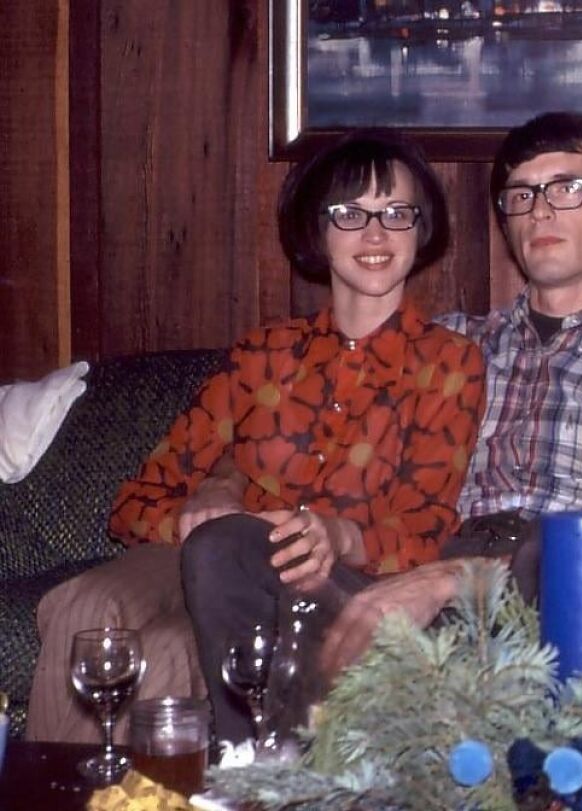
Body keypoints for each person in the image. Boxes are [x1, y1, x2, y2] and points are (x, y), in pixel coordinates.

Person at [26, 129, 485, 744]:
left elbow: (424, 531)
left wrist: (339, 535)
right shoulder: (261, 356)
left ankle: (251, 770)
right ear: (317, 233)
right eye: (350, 214)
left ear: (420, 230)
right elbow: (135, 502)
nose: (375, 235)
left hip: (329, 581)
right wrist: (206, 507)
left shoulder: (449, 363)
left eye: (396, 214)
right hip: (202, 555)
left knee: (169, 638)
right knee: (84, 609)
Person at [320, 110, 582, 679]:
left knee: (567, 545)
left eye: (566, 189)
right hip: (421, 549)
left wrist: (446, 582)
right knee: (245, 558)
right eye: (520, 194)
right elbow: (319, 428)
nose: (540, 208)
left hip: (547, 575)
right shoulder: (448, 342)